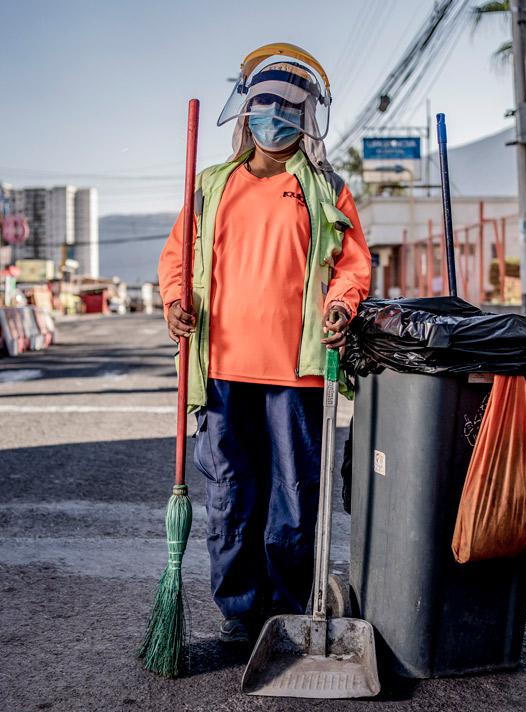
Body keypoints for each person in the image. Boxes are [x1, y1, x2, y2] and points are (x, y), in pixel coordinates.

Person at [157, 43, 371, 643]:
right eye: (262, 105)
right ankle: (239, 612)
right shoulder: (210, 186)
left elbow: (352, 265)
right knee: (231, 496)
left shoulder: (325, 187)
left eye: (284, 107)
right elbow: (178, 256)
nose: (272, 117)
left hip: (295, 371)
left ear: (304, 118)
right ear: (246, 112)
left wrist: (341, 304)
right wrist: (176, 302)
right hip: (222, 368)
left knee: (295, 499)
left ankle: (284, 609)